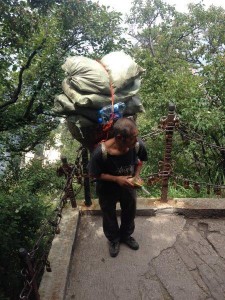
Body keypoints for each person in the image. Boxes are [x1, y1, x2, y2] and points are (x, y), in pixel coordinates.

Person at [89, 117, 148, 257]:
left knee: (130, 210)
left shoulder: (137, 145)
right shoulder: (100, 153)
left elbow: (140, 162)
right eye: (133, 138)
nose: (136, 140)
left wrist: (136, 176)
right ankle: (114, 239)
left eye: (136, 136)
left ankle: (126, 235)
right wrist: (116, 179)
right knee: (108, 213)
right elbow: (94, 175)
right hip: (107, 188)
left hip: (128, 185)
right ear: (120, 137)